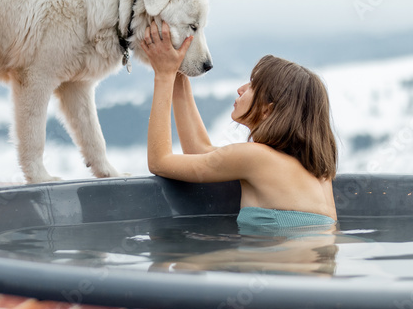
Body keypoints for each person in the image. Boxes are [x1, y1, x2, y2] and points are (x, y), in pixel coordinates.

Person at [142, 21, 338, 232]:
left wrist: (163, 76)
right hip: (297, 257)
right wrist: (177, 68)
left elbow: (160, 162)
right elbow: (199, 151)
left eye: (252, 85)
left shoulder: (255, 157)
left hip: (276, 261)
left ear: (267, 111)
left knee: (181, 262)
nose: (240, 89)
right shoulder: (320, 175)